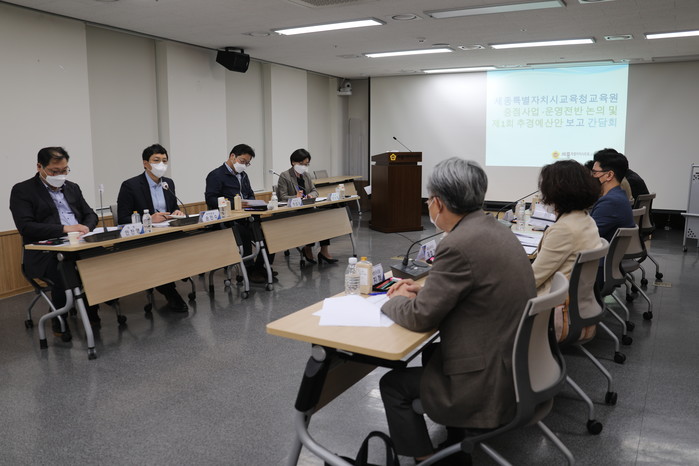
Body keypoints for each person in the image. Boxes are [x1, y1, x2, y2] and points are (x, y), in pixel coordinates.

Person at [379, 158, 536, 463]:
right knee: (432, 354)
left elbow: (420, 317)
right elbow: (476, 286)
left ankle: (426, 459)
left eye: (429, 199)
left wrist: (393, 298)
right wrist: (425, 291)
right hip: (515, 363)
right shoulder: (495, 227)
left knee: (393, 385)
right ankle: (456, 437)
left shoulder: (457, 244)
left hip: (487, 378)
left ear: (437, 203)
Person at [10, 147, 101, 337]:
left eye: (64, 170)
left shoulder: (72, 187)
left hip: (78, 244)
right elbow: (26, 227)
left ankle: (92, 310)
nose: (60, 175)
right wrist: (65, 229)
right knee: (64, 268)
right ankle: (59, 318)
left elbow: (90, 214)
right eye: (54, 171)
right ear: (40, 167)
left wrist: (86, 227)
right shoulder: (23, 190)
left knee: (101, 261)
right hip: (44, 252)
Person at [532, 160, 603, 342]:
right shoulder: (586, 219)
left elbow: (532, 278)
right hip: (578, 307)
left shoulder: (564, 229)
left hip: (552, 312)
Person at [116, 144, 188, 312]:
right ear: (145, 163)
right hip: (145, 237)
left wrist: (177, 212)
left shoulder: (168, 183)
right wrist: (147, 219)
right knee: (159, 253)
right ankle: (171, 293)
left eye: (164, 160)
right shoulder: (130, 185)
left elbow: (173, 207)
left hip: (168, 232)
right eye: (156, 160)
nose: (161, 164)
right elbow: (123, 218)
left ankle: (178, 276)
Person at [204, 144, 273, 283]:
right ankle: (249, 269)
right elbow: (210, 199)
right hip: (228, 220)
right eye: (242, 161)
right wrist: (233, 203)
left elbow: (250, 194)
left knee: (270, 231)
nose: (244, 165)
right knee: (244, 232)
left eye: (247, 163)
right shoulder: (216, 175)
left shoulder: (243, 175)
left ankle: (259, 267)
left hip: (246, 215)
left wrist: (251, 203)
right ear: (232, 156)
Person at [275, 148, 337, 264]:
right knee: (311, 219)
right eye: (301, 164)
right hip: (293, 211)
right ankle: (307, 248)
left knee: (323, 218)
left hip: (307, 207)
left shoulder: (306, 175)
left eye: (306, 164)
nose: (304, 166)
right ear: (293, 162)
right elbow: (282, 197)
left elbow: (315, 191)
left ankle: (324, 250)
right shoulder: (285, 176)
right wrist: (296, 197)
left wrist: (310, 195)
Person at [589, 149, 635, 243]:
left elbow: (588, 236)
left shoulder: (610, 202)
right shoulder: (618, 195)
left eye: (594, 173)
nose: (592, 177)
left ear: (609, 175)